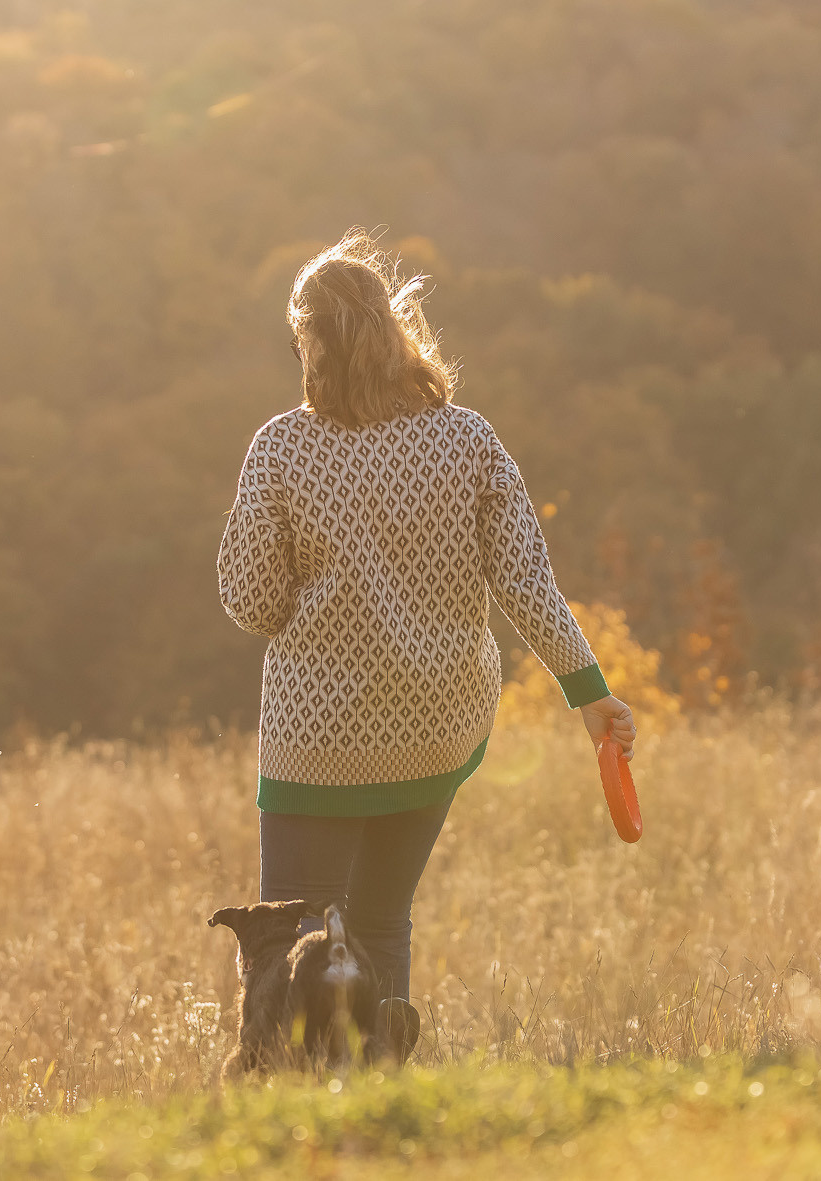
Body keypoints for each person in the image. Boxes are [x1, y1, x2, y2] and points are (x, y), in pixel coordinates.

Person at [216, 229, 638, 1054]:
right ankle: (380, 1081)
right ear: (391, 328)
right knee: (380, 922)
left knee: (294, 940)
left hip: (320, 740)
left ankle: (297, 1100)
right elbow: (526, 584)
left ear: (312, 343)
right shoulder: (469, 438)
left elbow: (253, 603)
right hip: (435, 727)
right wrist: (590, 695)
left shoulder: (282, 447)